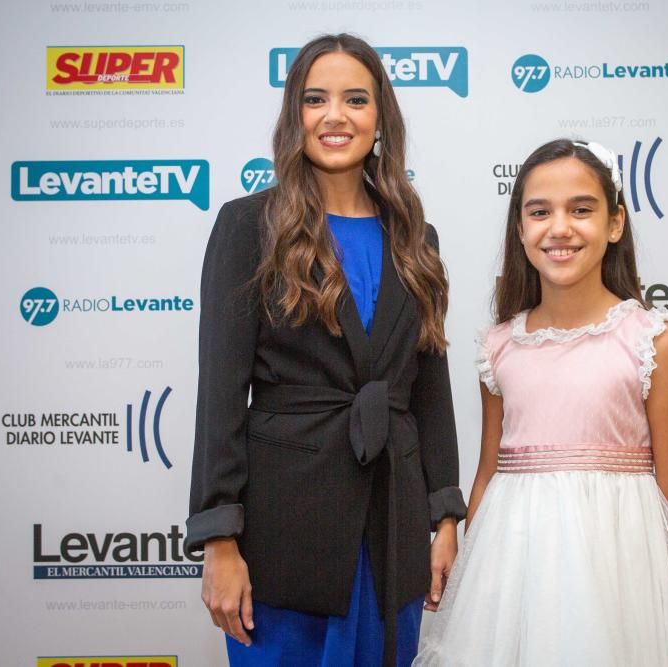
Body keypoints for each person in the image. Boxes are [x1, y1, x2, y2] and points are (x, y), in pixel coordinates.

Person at [185, 34, 466, 667]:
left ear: (380, 118)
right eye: (316, 99)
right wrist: (219, 541)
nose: (335, 116)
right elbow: (221, 394)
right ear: (295, 117)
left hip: (391, 529)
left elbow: (429, 387)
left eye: (355, 99)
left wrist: (444, 516)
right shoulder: (247, 226)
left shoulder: (417, 239)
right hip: (283, 537)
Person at [415, 139, 668, 666]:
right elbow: (488, 475)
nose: (560, 228)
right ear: (520, 228)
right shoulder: (499, 347)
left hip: (620, 579)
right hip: (514, 573)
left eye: (582, 210)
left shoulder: (652, 340)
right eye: (540, 212)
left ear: (615, 223)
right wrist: (475, 586)